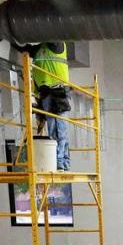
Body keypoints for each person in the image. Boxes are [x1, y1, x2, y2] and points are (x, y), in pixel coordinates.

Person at [28, 42, 71, 171]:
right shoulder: (38, 50)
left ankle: (61, 162)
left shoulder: (56, 44)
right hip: (46, 94)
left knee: (60, 130)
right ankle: (59, 161)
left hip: (58, 91)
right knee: (54, 130)